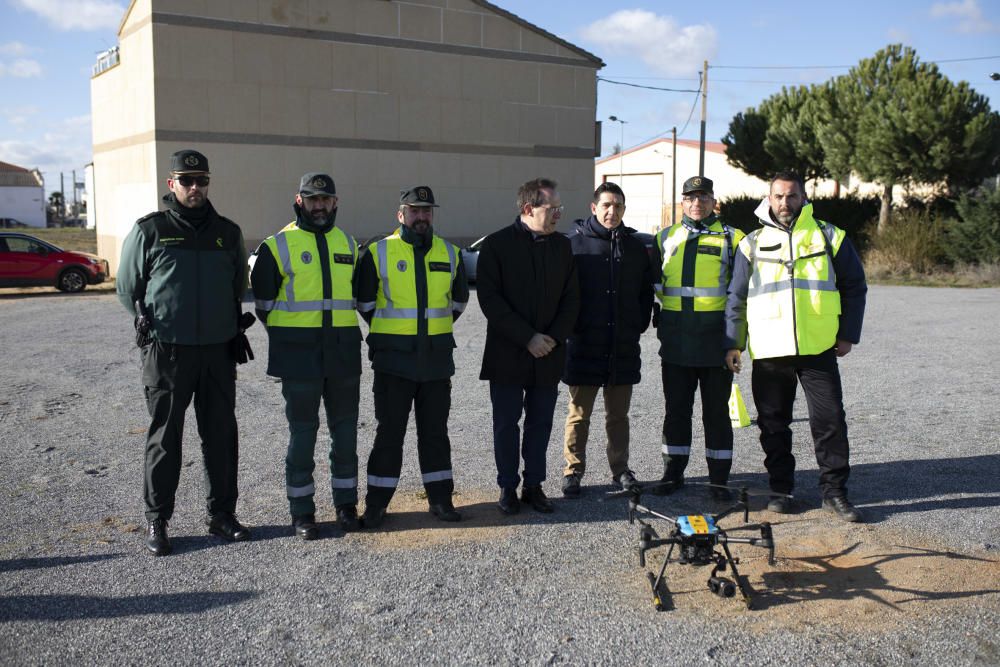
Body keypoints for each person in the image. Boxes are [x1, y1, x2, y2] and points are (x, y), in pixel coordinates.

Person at [117, 149, 251, 556]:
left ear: (208, 183)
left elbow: (236, 286)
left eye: (201, 181)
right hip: (168, 353)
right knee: (165, 438)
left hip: (216, 351)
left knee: (221, 435)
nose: (195, 188)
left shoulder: (227, 233)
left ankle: (222, 516)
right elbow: (128, 289)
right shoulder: (150, 231)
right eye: (186, 181)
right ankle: (158, 520)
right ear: (170, 184)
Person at [724, 171, 867, 522]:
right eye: (778, 196)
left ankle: (834, 493)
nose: (785, 203)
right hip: (770, 350)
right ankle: (781, 489)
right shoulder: (751, 243)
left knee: (830, 419)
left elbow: (854, 286)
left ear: (803, 198)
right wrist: (734, 343)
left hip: (818, 348)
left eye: (791, 196)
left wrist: (847, 333)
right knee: (773, 424)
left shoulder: (829, 235)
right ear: (768, 199)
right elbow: (737, 297)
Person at [250, 173, 362, 540]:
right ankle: (303, 512)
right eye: (311, 199)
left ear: (335, 202)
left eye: (325, 199)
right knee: (303, 434)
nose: (318, 205)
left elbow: (358, 297)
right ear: (299, 200)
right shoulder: (276, 246)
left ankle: (346, 505)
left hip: (343, 353)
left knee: (345, 434)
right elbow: (264, 306)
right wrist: (293, 336)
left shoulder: (348, 243)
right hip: (299, 356)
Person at [355, 186, 469, 528]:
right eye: (414, 210)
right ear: (400, 214)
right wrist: (393, 334)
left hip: (435, 362)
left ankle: (440, 500)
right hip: (394, 362)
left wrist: (431, 332)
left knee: (435, 434)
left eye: (427, 211)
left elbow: (458, 302)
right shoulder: (378, 252)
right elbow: (365, 303)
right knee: (389, 434)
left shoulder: (449, 253)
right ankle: (376, 505)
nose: (422, 216)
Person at [477, 178, 580, 514]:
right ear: (527, 209)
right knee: (506, 424)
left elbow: (571, 298)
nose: (558, 216)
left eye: (559, 209)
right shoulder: (496, 245)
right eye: (552, 209)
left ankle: (534, 486)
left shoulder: (563, 247)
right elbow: (491, 301)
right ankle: (507, 487)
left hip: (548, 355)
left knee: (540, 424)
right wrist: (528, 337)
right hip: (508, 354)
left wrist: (552, 338)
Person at [652, 176, 745, 501]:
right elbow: (648, 287)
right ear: (682, 202)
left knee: (716, 413)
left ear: (713, 200)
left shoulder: (734, 239)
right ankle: (672, 473)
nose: (697, 203)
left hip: (714, 344)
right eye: (691, 197)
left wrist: (735, 343)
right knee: (676, 411)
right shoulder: (664, 238)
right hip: (676, 343)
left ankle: (718, 479)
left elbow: (739, 296)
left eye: (703, 197)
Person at [560, 182, 654, 498]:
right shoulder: (573, 245)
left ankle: (620, 469)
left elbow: (644, 292)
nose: (612, 211)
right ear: (594, 208)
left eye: (618, 206)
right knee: (579, 414)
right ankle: (573, 472)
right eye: (606, 205)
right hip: (584, 345)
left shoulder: (634, 247)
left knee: (618, 416)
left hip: (621, 346)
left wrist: (637, 324)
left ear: (624, 209)